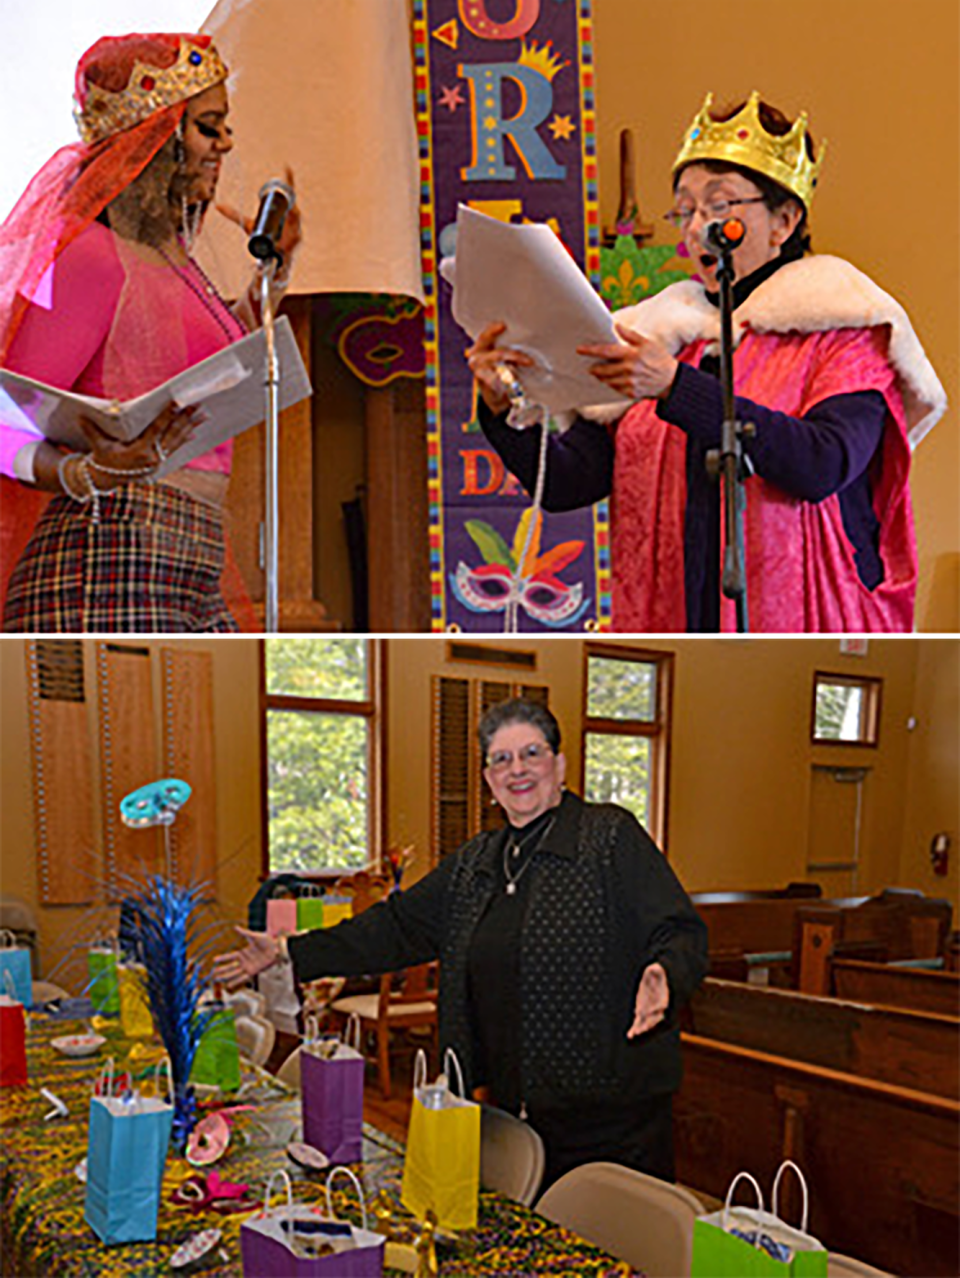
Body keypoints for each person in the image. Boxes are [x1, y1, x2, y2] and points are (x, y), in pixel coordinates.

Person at [468, 92, 947, 632]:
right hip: (675, 612)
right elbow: (567, 484)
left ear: (784, 220)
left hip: (795, 619)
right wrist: (501, 406)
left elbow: (823, 465)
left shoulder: (843, 330)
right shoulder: (661, 331)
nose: (697, 227)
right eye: (686, 209)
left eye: (719, 206)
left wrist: (676, 389)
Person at [215, 697, 708, 1191]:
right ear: (489, 780)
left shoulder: (607, 837)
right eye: (501, 758)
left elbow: (679, 929)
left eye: (531, 753)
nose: (517, 769)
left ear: (559, 765)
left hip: (611, 1112)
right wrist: (288, 951)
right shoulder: (478, 861)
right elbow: (395, 927)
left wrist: (664, 973)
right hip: (511, 1105)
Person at [0, 31, 301, 632]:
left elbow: (194, 370)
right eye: (209, 127)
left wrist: (275, 276)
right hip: (108, 545)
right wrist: (80, 473)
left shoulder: (170, 260)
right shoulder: (93, 254)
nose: (227, 144)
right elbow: (4, 417)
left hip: (194, 545)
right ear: (157, 140)